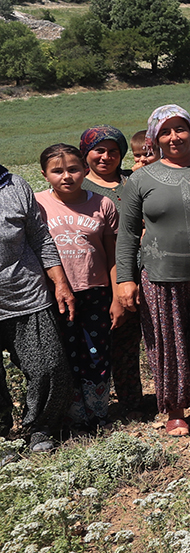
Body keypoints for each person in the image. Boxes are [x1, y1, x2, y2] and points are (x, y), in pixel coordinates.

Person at [116, 106, 190, 438]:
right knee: (169, 345)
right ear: (154, 139)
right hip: (160, 276)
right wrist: (125, 279)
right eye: (165, 132)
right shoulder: (141, 179)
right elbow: (127, 233)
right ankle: (176, 409)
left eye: (180, 129)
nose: (174, 137)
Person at [35, 144, 117, 429]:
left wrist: (116, 295)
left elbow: (112, 255)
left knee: (97, 352)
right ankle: (73, 416)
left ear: (84, 169)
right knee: (63, 354)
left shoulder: (103, 204)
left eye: (73, 169)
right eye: (57, 171)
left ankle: (98, 412)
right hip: (54, 294)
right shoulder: (37, 204)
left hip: (96, 291)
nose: (66, 176)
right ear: (44, 174)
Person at [0, 158, 75, 454]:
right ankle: (1, 437)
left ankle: (41, 427)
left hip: (26, 293)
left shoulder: (14, 186)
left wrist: (60, 282)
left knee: (49, 365)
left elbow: (40, 238)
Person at [79, 124, 144, 416]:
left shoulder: (135, 180)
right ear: (85, 154)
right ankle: (103, 406)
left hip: (148, 271)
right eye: (99, 151)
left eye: (113, 151)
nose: (106, 157)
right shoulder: (79, 188)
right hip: (106, 278)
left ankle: (139, 402)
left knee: (135, 344)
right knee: (112, 343)